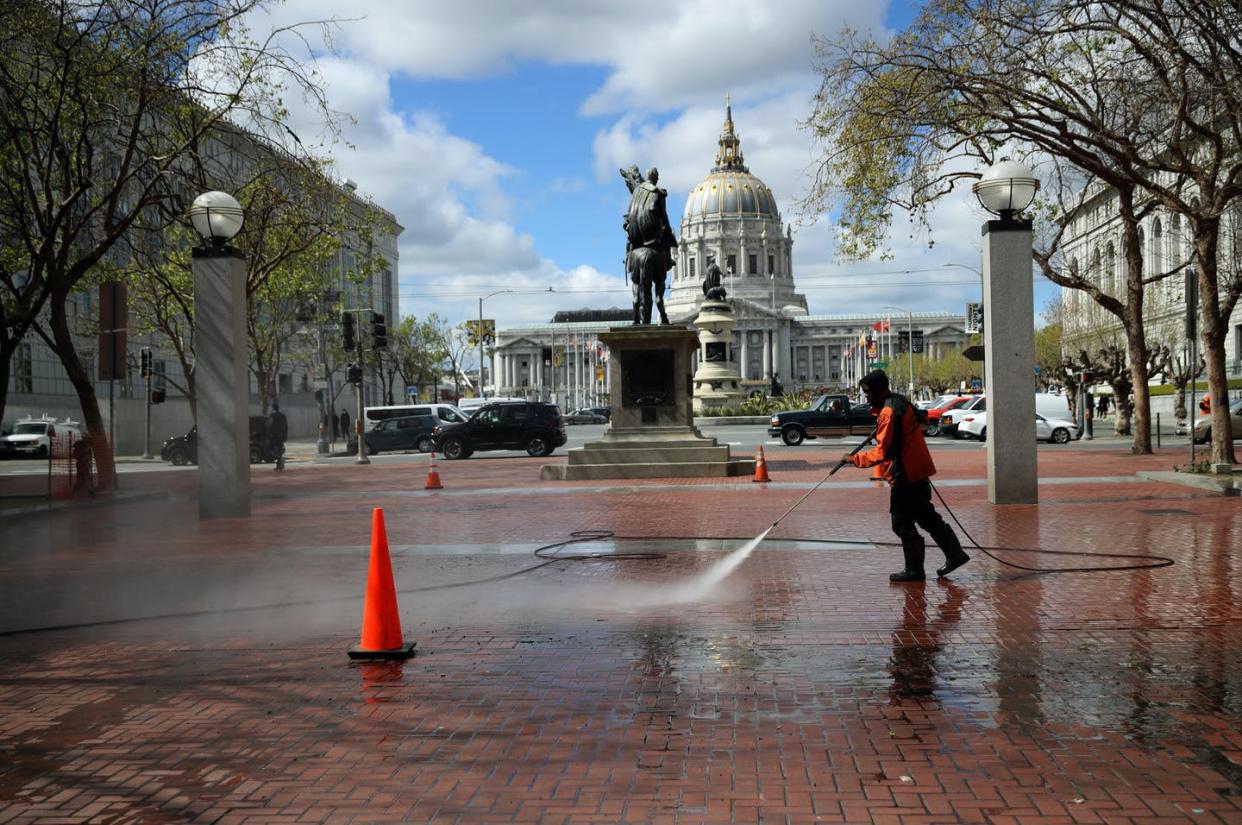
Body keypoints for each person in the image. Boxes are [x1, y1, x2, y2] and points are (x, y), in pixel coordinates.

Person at [839, 369, 969, 582]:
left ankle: (915, 570)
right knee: (927, 517)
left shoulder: (889, 413)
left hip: (905, 475)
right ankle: (956, 554)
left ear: (879, 390)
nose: (866, 396)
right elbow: (917, 421)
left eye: (868, 392)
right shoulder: (899, 402)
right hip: (917, 470)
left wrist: (853, 459)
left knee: (901, 524)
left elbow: (883, 451)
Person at [269, 403, 288, 471]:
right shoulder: (283, 416)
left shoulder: (272, 415)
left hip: (275, 436)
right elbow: (286, 426)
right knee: (279, 450)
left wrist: (270, 433)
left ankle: (280, 462)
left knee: (274, 450)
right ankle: (279, 464)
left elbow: (270, 425)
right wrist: (285, 435)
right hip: (282, 436)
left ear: (273, 408)